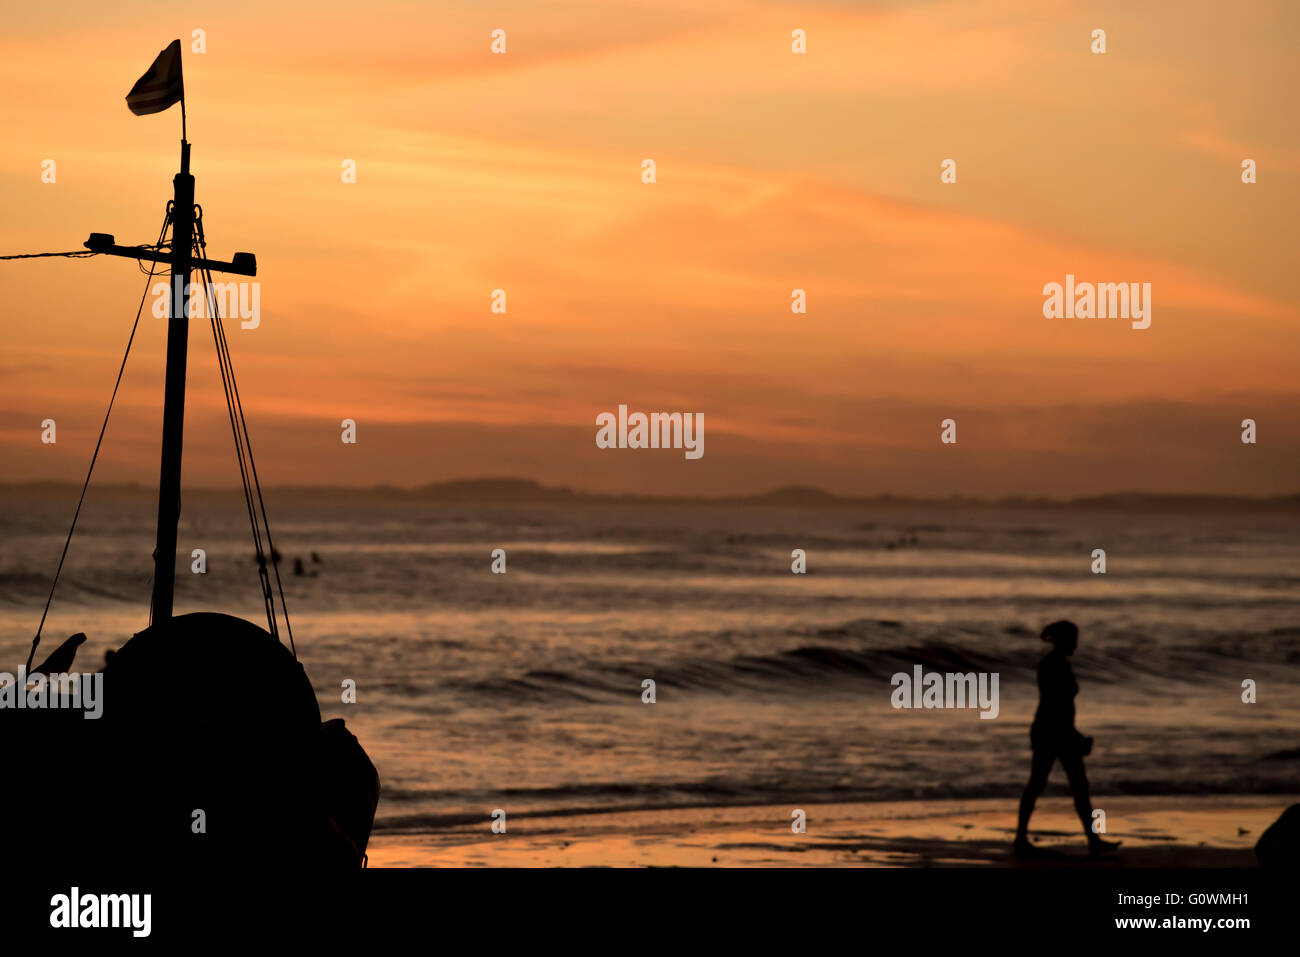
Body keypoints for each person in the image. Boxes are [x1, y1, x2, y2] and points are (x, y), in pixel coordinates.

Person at [1014, 620, 1120, 858]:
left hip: (1056, 731)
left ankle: (1092, 840)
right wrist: (1075, 737)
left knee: (1075, 787)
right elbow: (1055, 707)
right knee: (1040, 784)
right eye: (1072, 639)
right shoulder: (1053, 666)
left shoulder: (1058, 664)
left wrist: (1074, 735)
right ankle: (1021, 838)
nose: (1075, 644)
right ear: (1063, 640)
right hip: (1052, 732)